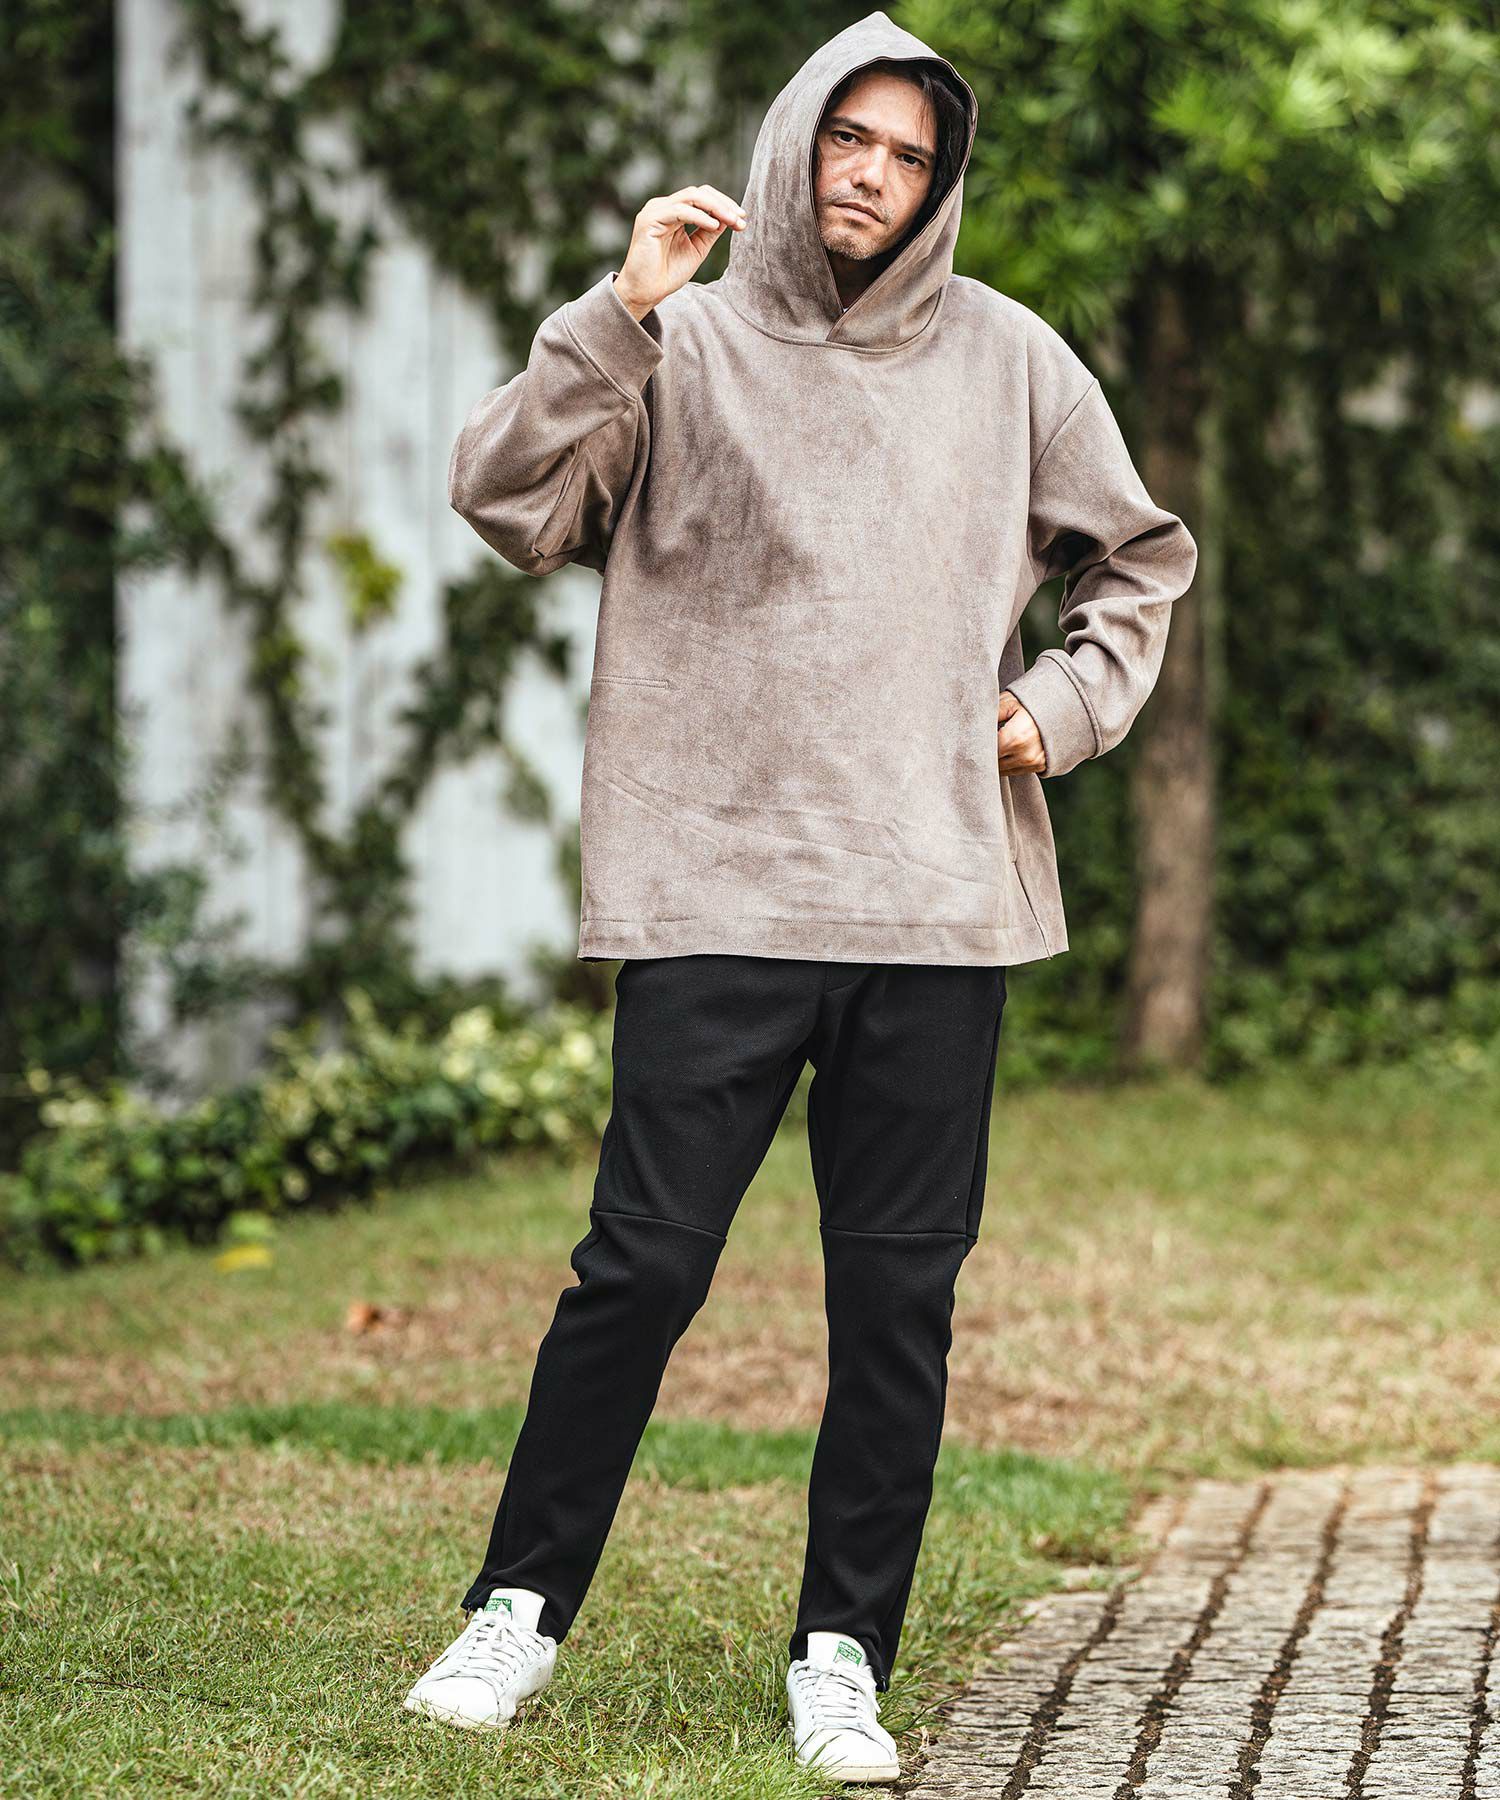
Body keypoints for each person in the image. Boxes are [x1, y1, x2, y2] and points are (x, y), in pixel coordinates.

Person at [402, 7, 1198, 1785]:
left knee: (895, 1305)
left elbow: (1141, 558)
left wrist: (1064, 705)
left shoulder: (1011, 359)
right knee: (639, 1268)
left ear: (941, 183)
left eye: (912, 155)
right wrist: (618, 310)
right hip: (716, 889)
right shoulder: (675, 341)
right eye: (852, 137)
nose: (874, 175)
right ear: (795, 139)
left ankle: (843, 1655)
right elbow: (509, 502)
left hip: (934, 904)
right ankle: (516, 1610)